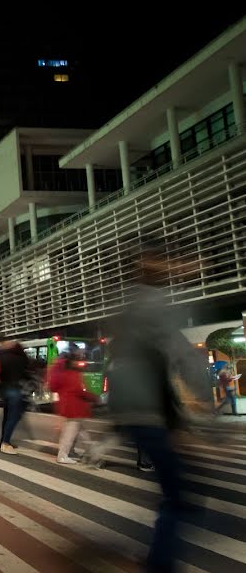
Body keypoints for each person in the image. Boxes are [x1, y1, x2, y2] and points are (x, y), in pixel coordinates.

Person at [105, 238, 210, 571]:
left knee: (179, 488)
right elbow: (179, 352)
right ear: (154, 265)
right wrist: (206, 400)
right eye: (172, 261)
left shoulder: (128, 307)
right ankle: (160, 563)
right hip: (151, 412)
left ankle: (158, 556)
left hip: (134, 412)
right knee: (180, 495)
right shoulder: (155, 304)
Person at [49, 347, 97, 464]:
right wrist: (93, 397)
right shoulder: (73, 374)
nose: (81, 362)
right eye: (79, 359)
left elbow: (53, 387)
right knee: (69, 435)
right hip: (75, 408)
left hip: (67, 406)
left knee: (82, 432)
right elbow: (78, 391)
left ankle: (92, 454)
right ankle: (62, 456)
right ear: (73, 362)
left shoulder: (61, 373)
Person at [0, 337, 32, 455]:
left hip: (4, 391)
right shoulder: (20, 358)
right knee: (13, 417)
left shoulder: (0, 355)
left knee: (7, 417)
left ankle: (4, 441)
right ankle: (5, 443)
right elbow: (26, 372)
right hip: (16, 390)